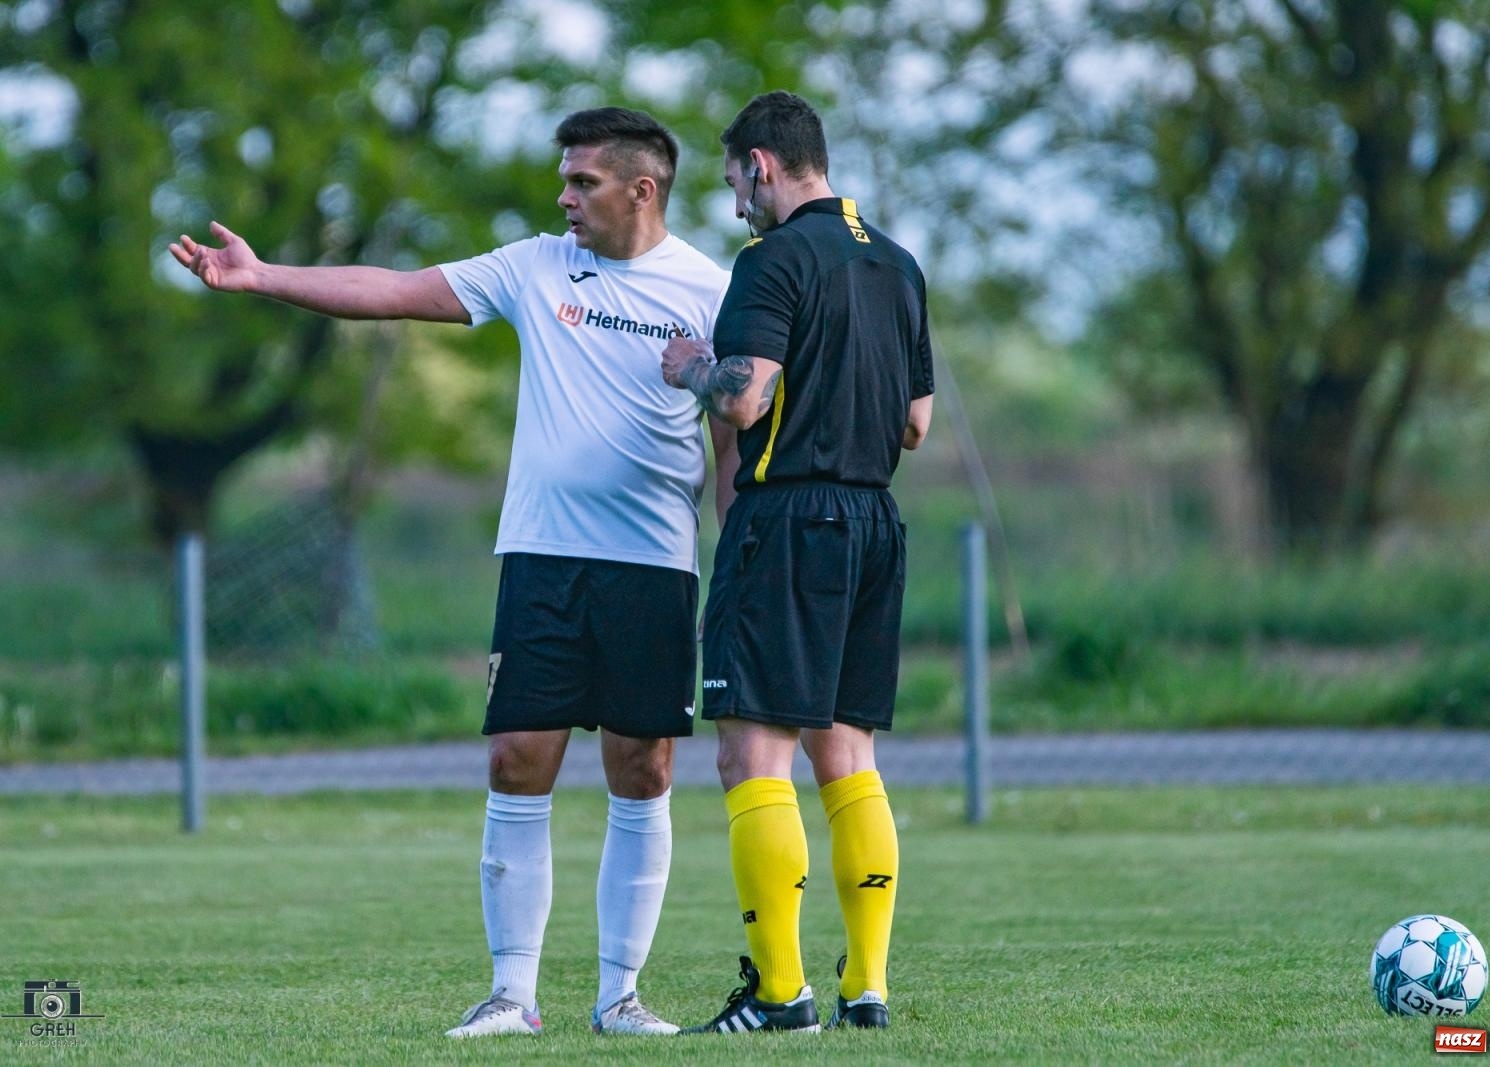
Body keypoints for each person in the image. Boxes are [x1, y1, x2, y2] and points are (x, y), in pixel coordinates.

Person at [170, 107, 735, 1038]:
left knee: (644, 768)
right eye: (564, 178)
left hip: (653, 567)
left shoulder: (710, 290)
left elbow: (731, 439)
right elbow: (391, 289)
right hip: (543, 559)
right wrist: (264, 276)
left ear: (643, 189)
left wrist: (735, 567)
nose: (564, 195)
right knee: (518, 758)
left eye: (582, 181)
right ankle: (511, 995)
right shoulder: (535, 264)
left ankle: (620, 998)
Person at [659, 90, 934, 1034]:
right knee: (849, 754)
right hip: (875, 523)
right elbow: (917, 422)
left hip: (788, 521)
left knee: (753, 753)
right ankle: (868, 987)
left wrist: (693, 364)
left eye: (738, 181)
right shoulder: (898, 263)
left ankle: (781, 996)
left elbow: (741, 400)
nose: (738, 201)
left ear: (764, 166)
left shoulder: (771, 260)